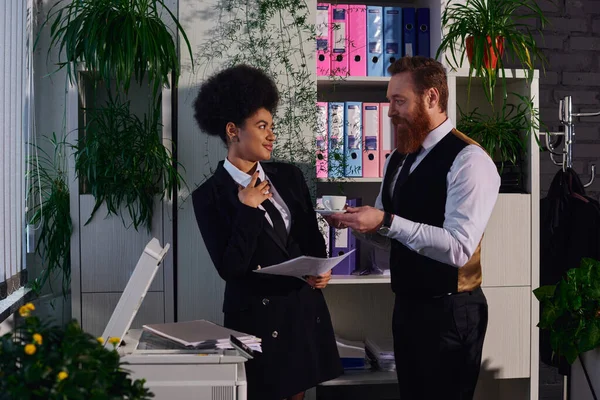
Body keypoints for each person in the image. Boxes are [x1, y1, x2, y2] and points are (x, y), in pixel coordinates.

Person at [329, 56, 500, 400]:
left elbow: (458, 248)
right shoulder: (398, 158)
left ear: (432, 98)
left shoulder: (470, 160)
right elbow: (391, 237)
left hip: (452, 313)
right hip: (407, 307)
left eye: (399, 101)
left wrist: (387, 221)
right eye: (389, 100)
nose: (389, 111)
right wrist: (362, 226)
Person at [191, 64, 342, 400]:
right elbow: (229, 268)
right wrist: (246, 209)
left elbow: (309, 240)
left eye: (271, 126)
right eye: (262, 126)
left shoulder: (289, 176)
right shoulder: (208, 196)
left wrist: (321, 271)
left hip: (299, 311)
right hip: (257, 320)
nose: (271, 134)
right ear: (233, 130)